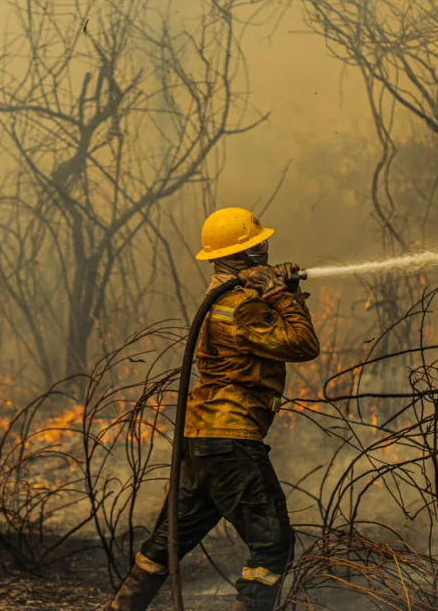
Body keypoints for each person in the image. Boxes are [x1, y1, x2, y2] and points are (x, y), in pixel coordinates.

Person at [106, 207, 321, 611]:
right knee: (273, 545)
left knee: (165, 543)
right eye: (259, 245)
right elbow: (304, 346)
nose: (266, 248)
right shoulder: (242, 305)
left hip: (201, 438)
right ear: (245, 254)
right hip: (231, 438)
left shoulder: (222, 297)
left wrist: (279, 289)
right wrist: (278, 294)